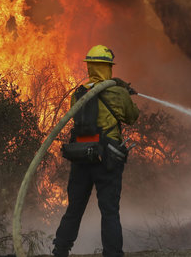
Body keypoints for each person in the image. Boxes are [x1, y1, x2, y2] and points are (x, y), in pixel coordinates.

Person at [52, 45, 140, 257]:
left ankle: (60, 250)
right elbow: (132, 117)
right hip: (106, 158)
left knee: (74, 208)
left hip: (81, 155)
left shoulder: (79, 94)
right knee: (109, 210)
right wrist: (124, 93)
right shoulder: (117, 93)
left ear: (90, 66)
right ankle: (112, 253)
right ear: (108, 67)